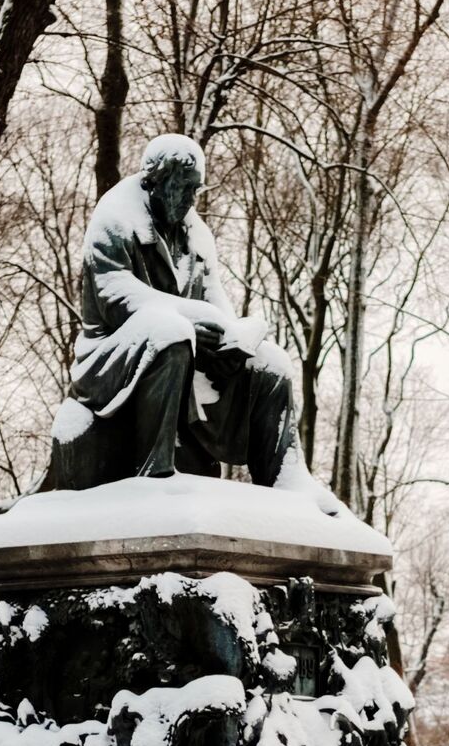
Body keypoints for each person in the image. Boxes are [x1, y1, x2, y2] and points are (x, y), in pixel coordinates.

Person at [50, 134, 341, 514]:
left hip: (187, 356)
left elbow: (214, 299)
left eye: (195, 189)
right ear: (157, 180)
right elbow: (114, 298)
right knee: (170, 333)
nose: (191, 199)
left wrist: (229, 337)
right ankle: (153, 477)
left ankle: (286, 482)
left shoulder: (195, 232)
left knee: (270, 365)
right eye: (184, 188)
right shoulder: (114, 218)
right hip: (111, 359)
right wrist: (189, 320)